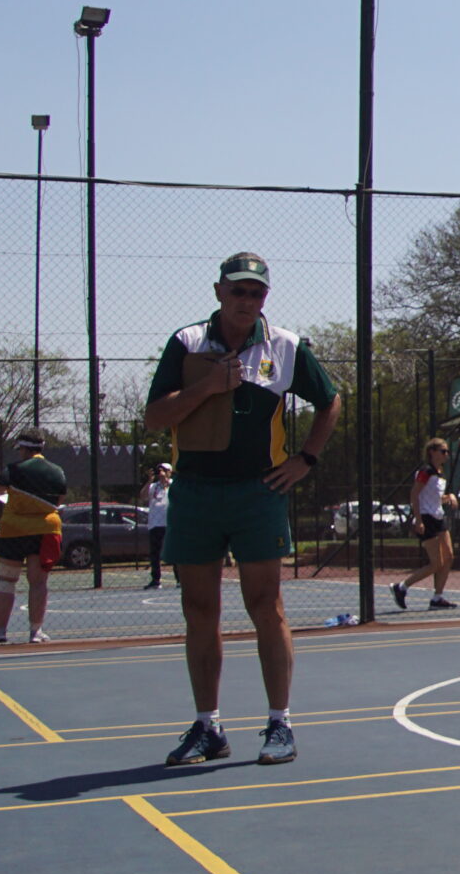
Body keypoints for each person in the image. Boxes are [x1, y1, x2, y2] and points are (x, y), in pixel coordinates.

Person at [143, 252, 342, 767]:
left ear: (265, 298)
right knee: (199, 609)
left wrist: (306, 458)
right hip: (195, 492)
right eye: (238, 291)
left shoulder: (285, 345)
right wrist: (207, 386)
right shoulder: (187, 342)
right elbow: (154, 417)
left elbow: (330, 401)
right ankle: (208, 726)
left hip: (258, 493)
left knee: (266, 605)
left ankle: (280, 723)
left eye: (256, 293)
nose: (247, 301)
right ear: (219, 292)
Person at [0, 430, 67, 645]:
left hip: (14, 530)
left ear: (23, 448)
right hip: (45, 529)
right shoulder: (57, 471)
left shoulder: (14, 469)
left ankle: (0, 630)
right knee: (38, 582)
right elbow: (59, 499)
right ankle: (36, 631)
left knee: (6, 580)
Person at [392, 438, 460, 611]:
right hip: (426, 518)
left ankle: (437, 598)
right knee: (436, 563)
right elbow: (415, 494)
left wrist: (449, 497)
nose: (446, 454)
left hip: (439, 517)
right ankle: (401, 587)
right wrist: (419, 520)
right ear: (432, 452)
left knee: (449, 557)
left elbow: (435, 498)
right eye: (443, 451)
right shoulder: (425, 471)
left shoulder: (440, 473)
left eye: (447, 451)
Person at [140, 462, 173, 588]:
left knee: (173, 552)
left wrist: (166, 482)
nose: (161, 473)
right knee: (155, 554)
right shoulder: (154, 486)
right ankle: (156, 580)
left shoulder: (174, 485)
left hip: (170, 523)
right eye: (160, 470)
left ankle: (179, 580)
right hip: (155, 524)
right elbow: (143, 496)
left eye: (164, 470)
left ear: (169, 472)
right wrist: (149, 480)